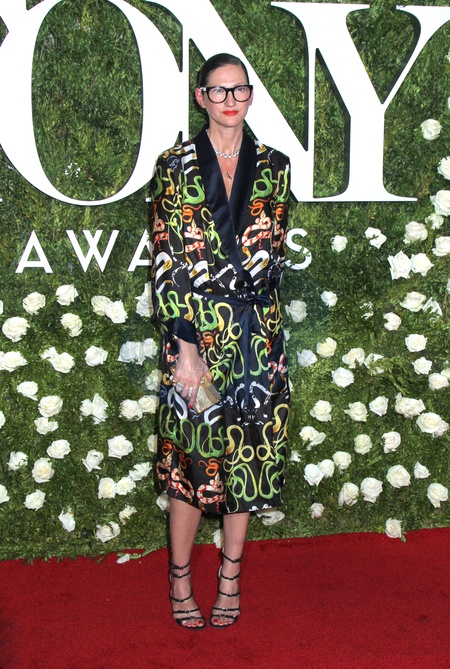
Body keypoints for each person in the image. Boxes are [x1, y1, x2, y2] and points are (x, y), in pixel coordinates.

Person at [150, 53, 290, 629]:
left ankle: (230, 577)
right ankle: (180, 577)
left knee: (249, 460)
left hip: (258, 339)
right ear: (201, 97)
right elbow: (168, 257)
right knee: (191, 460)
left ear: (250, 96)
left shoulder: (275, 165)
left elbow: (272, 255)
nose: (230, 100)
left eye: (240, 90)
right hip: (196, 338)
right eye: (218, 90)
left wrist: (268, 341)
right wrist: (186, 350)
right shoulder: (175, 165)